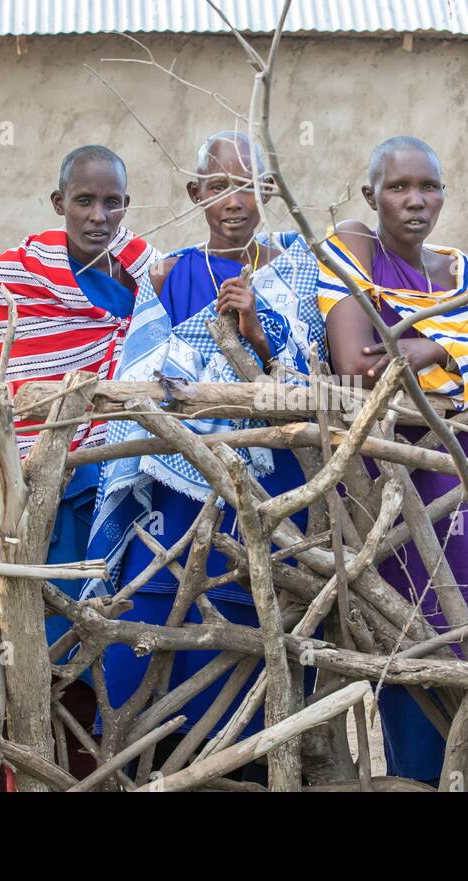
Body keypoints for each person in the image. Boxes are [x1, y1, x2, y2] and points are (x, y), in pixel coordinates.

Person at [0, 145, 158, 784]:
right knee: (7, 643)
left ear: (127, 208)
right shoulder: (11, 281)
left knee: (87, 645)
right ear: (60, 205)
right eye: (84, 200)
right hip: (18, 504)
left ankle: (73, 768)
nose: (98, 215)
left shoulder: (147, 280)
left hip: (107, 493)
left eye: (112, 202)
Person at [85, 131, 324, 766]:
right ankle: (145, 763)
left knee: (252, 620)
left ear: (268, 191)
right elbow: (143, 365)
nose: (235, 200)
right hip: (176, 484)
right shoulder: (169, 273)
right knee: (153, 612)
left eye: (248, 185)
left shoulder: (292, 267)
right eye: (218, 186)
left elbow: (306, 376)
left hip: (265, 487)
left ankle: (246, 766)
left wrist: (255, 325)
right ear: (195, 195)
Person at [317, 136, 468, 784]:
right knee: (411, 628)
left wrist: (429, 349)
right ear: (370, 196)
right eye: (398, 187)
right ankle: (420, 773)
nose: (415, 201)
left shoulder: (459, 273)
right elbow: (359, 369)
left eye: (429, 187)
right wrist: (455, 354)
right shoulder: (352, 252)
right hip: (404, 483)